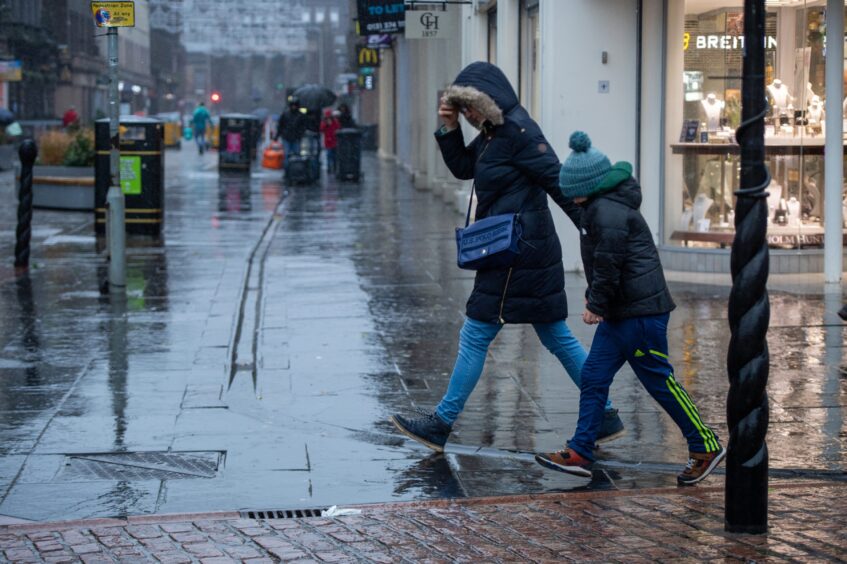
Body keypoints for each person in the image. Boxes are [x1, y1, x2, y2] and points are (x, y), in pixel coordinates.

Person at [390, 62, 625, 453]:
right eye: (462, 109)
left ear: (488, 99)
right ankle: (605, 415)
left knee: (476, 333)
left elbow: (559, 182)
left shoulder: (518, 132)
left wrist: (597, 229)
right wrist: (449, 129)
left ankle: (442, 423)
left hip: (517, 253)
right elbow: (465, 169)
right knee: (557, 337)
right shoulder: (491, 133)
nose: (467, 115)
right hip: (516, 248)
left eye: (469, 108)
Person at [535, 132, 725, 486]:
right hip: (625, 312)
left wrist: (595, 305)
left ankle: (706, 445)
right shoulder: (601, 207)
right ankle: (581, 451)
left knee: (659, 381)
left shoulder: (606, 212)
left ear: (587, 186)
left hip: (640, 314)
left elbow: (608, 264)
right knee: (593, 376)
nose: (569, 196)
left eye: (572, 188)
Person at [275, 96, 306, 166]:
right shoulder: (286, 114)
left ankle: (296, 170)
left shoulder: (300, 115)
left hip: (296, 138)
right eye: (293, 105)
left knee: (297, 155)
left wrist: (300, 134)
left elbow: (303, 126)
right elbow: (280, 125)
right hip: (287, 137)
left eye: (295, 105)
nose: (294, 107)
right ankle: (287, 170)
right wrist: (277, 135)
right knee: (286, 155)